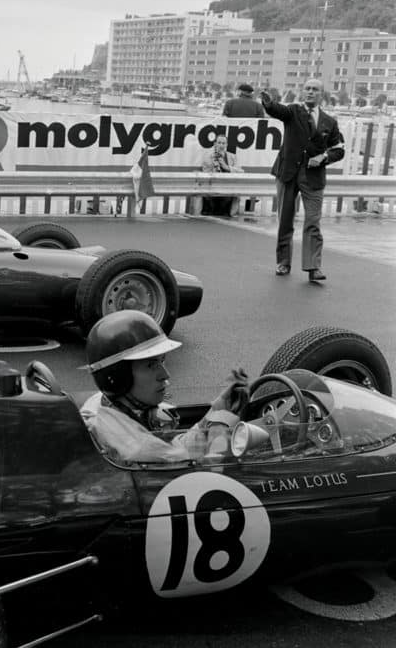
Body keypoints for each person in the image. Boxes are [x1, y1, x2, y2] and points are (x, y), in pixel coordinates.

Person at [80, 311, 250, 464]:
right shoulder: (140, 450)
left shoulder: (104, 404)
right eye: (150, 365)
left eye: (161, 361)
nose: (165, 374)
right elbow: (209, 470)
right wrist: (221, 423)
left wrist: (217, 408)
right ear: (118, 376)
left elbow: (178, 449)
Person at [261, 78, 344, 282]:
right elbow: (276, 110)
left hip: (313, 178)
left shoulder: (329, 122)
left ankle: (313, 267)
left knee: (313, 222)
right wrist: (268, 103)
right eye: (307, 88)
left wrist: (323, 157)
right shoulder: (293, 112)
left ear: (321, 94)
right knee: (285, 221)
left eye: (315, 89)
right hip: (288, 173)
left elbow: (339, 150)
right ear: (302, 91)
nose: (310, 92)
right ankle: (283, 262)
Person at [199, 134, 244, 216]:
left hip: (227, 189)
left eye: (224, 143)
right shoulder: (208, 157)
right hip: (212, 188)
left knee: (228, 198)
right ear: (215, 144)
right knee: (208, 198)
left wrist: (227, 167)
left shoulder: (232, 157)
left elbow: (241, 172)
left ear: (227, 145)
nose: (221, 145)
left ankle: (226, 213)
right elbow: (206, 174)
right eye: (219, 143)